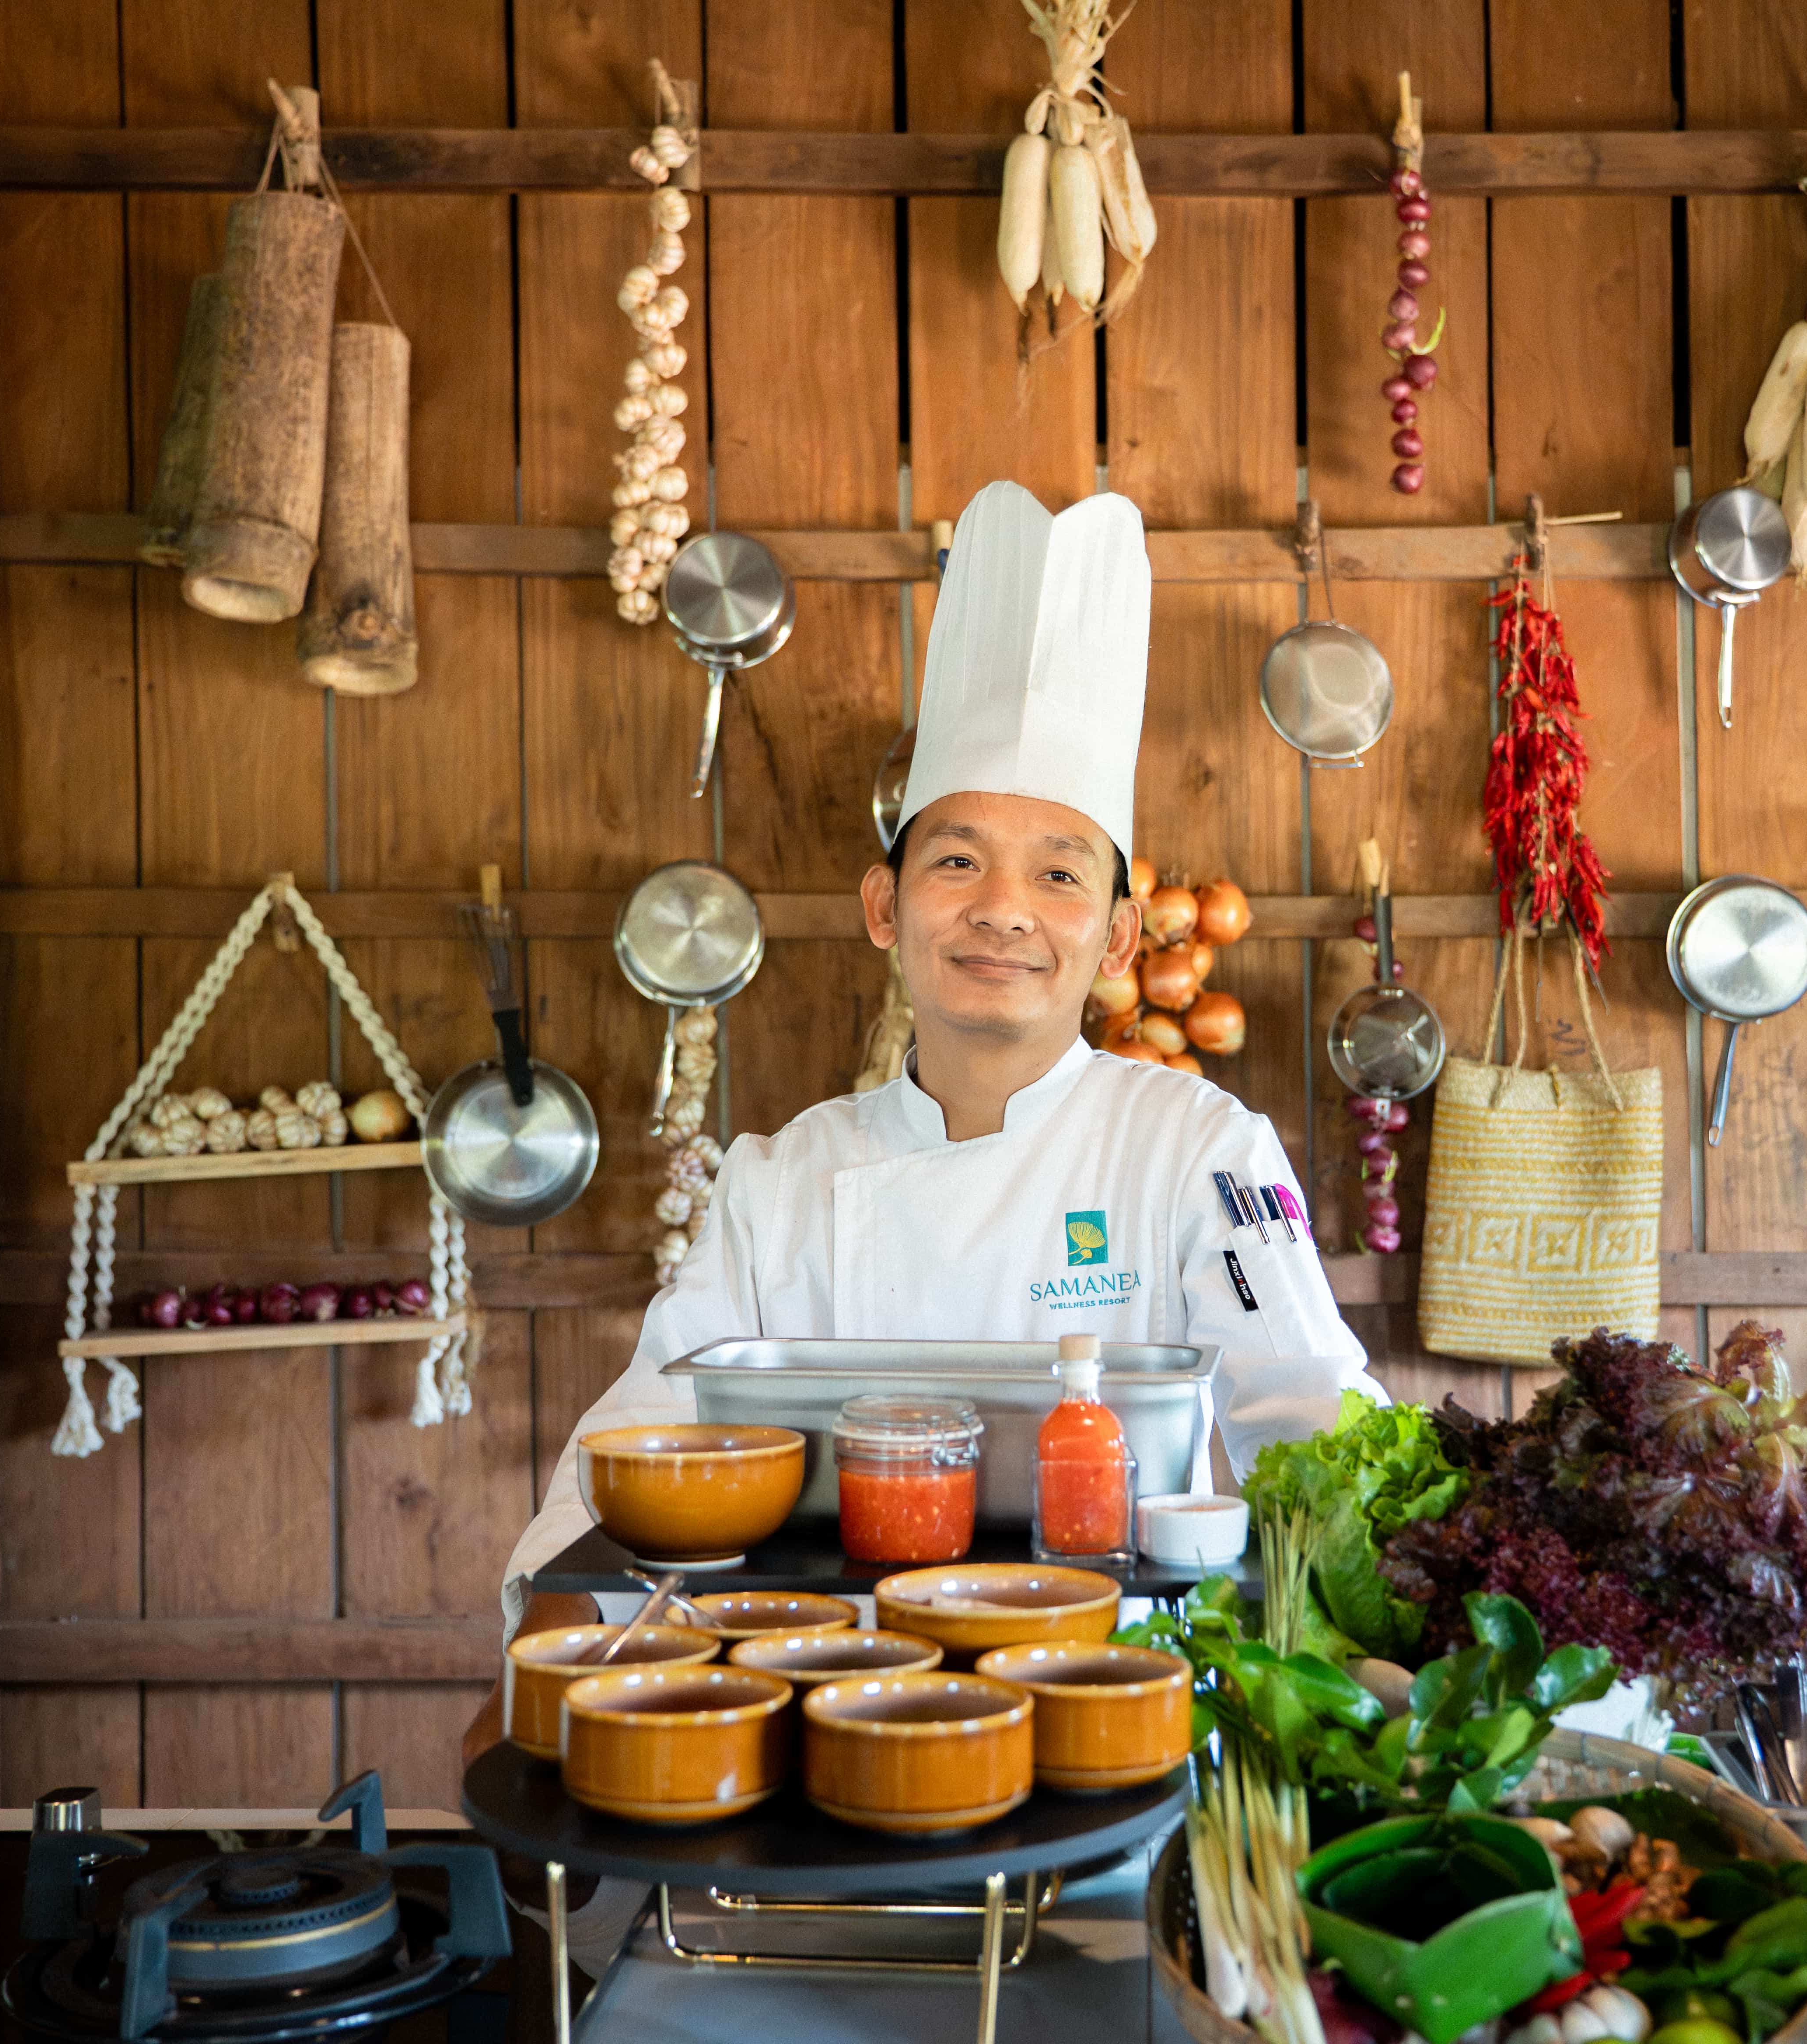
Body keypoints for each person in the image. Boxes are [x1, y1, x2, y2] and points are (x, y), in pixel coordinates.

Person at [467, 482, 1373, 1761]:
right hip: (832, 1712)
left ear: (1116, 936)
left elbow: (1312, 1422)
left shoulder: (1199, 1149)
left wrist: (1378, 1651)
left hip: (1127, 1723)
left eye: (1060, 872)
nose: (1004, 909)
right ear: (885, 908)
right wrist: (545, 1656)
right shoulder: (784, 1178)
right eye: (957, 861)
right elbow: (642, 1438)